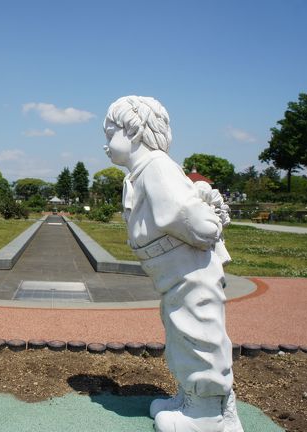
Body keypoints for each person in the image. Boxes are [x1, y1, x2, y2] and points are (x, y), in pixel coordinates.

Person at [103, 95, 242, 432]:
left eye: (110, 134)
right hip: (174, 276)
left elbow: (196, 221)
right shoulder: (140, 173)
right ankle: (194, 399)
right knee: (182, 333)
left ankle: (206, 415)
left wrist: (207, 215)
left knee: (198, 333)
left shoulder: (156, 167)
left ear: (133, 132)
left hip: (190, 272)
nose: (105, 144)